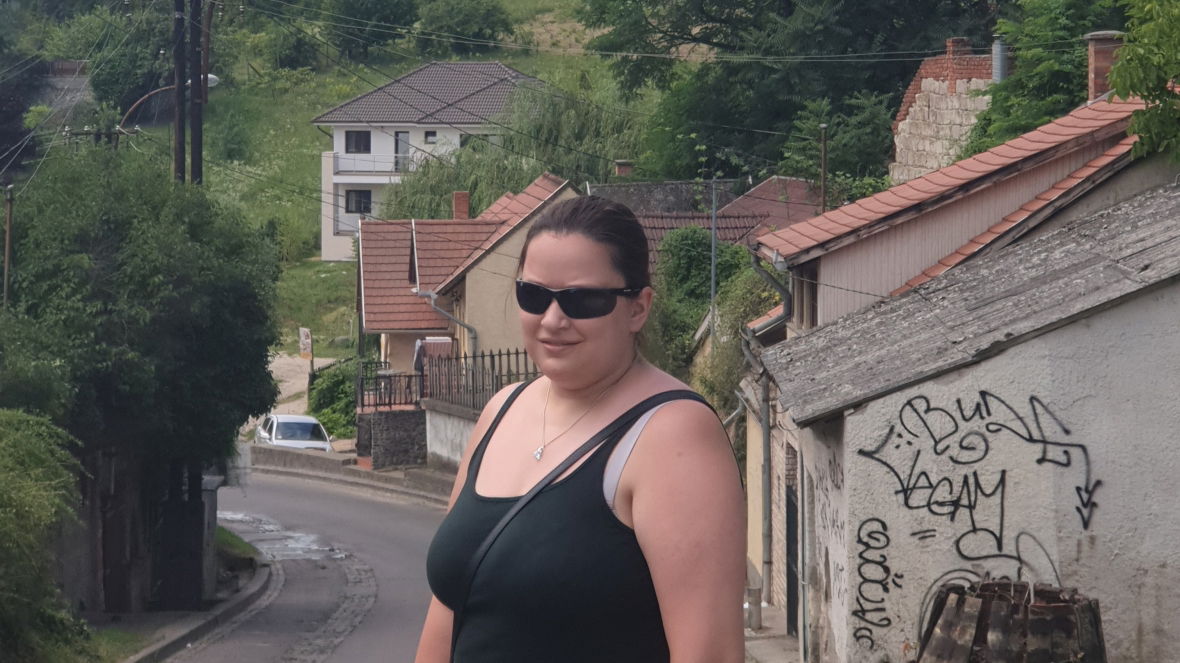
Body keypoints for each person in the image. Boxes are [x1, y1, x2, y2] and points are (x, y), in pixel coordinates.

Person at [414, 196, 746, 663]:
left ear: (638, 308)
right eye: (533, 295)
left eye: (583, 300)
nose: (553, 320)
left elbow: (710, 653)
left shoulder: (673, 435)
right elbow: (449, 609)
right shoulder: (500, 411)